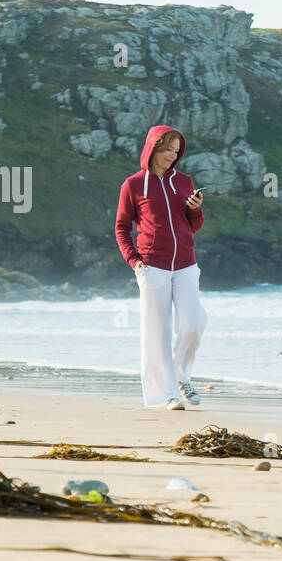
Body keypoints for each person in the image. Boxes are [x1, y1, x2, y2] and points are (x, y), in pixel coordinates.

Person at [115, 125, 209, 410]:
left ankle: (181, 377)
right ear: (154, 147)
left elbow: (195, 226)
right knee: (157, 332)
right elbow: (121, 227)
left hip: (185, 265)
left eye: (176, 151)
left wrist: (195, 208)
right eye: (168, 149)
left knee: (193, 324)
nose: (172, 155)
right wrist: (134, 261)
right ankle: (166, 394)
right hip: (151, 266)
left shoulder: (184, 181)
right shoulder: (133, 185)